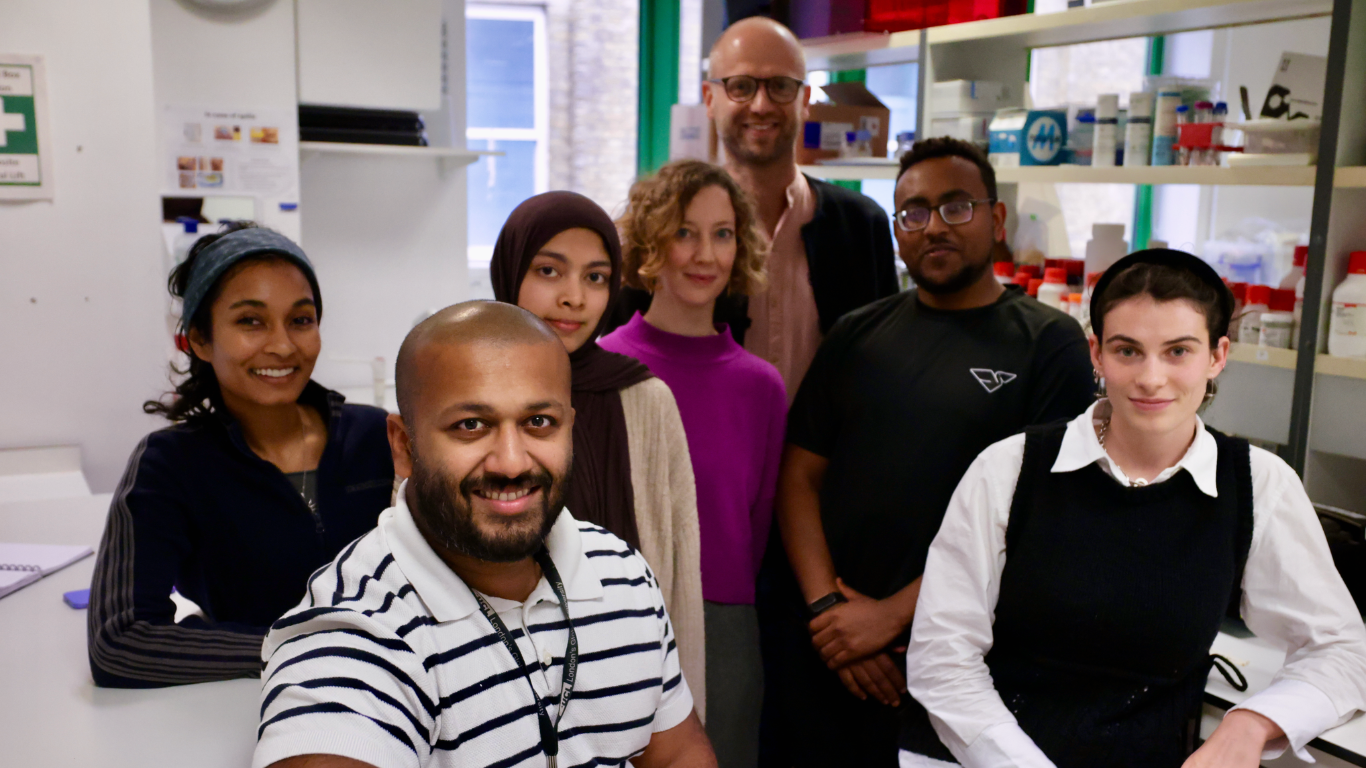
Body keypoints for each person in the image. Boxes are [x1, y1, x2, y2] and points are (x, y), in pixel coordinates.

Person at [903, 249, 1366, 768]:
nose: (1150, 378)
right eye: (1128, 351)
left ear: (1217, 356)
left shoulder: (1257, 484)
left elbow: (1342, 650)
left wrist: (1251, 725)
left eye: (1178, 351)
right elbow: (941, 659)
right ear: (1096, 353)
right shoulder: (1010, 468)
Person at [255, 301, 717, 768]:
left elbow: (677, 752)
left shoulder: (622, 572)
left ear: (569, 429)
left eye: (539, 422)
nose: (512, 462)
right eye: (470, 425)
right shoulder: (356, 631)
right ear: (403, 445)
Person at [758, 137, 1095, 767]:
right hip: (827, 652)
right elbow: (798, 476)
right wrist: (831, 616)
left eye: (955, 207)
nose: (933, 226)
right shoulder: (858, 333)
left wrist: (888, 618)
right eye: (912, 213)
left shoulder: (1048, 344)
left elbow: (1040, 516)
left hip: (958, 664)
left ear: (997, 221)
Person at [88, 222, 394, 688]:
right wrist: (302, 645)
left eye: (301, 320)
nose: (282, 345)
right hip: (252, 705)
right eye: (250, 321)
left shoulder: (379, 436)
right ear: (199, 340)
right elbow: (119, 641)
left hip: (407, 691)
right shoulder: (171, 464)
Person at [489, 190, 707, 717]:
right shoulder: (465, 393)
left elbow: (678, 569)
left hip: (623, 678)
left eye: (595, 277)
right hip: (493, 682)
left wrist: (682, 707)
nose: (574, 298)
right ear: (511, 271)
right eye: (548, 271)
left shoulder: (644, 398)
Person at [600, 160, 787, 768]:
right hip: (612, 620)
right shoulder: (602, 367)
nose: (705, 253)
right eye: (685, 231)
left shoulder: (761, 386)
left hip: (726, 628)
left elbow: (754, 530)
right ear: (651, 242)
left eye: (723, 233)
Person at [606, 17, 898, 398]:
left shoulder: (862, 226)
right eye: (741, 87)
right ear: (710, 99)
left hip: (831, 458)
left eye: (780, 86)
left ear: (805, 100)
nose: (761, 105)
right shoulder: (664, 225)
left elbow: (882, 365)